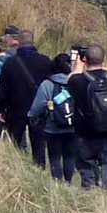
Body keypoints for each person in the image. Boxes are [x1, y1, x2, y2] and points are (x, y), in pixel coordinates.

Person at [63, 43, 107, 189]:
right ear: (104, 59)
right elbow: (105, 70)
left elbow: (70, 79)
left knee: (87, 167)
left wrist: (78, 65)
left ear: (85, 59)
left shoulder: (76, 81)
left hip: (86, 134)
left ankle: (91, 197)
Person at [0, 27, 49, 155]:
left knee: (16, 142)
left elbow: (3, 89)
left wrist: (2, 108)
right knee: (39, 144)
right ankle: (39, 167)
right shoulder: (45, 61)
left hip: (16, 108)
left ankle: (18, 166)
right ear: (33, 41)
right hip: (39, 109)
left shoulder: (10, 63)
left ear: (19, 42)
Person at [29, 52, 79, 181]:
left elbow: (37, 107)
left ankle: (57, 183)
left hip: (53, 127)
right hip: (73, 126)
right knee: (69, 156)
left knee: (54, 157)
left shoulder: (47, 84)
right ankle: (69, 182)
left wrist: (31, 116)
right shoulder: (76, 82)